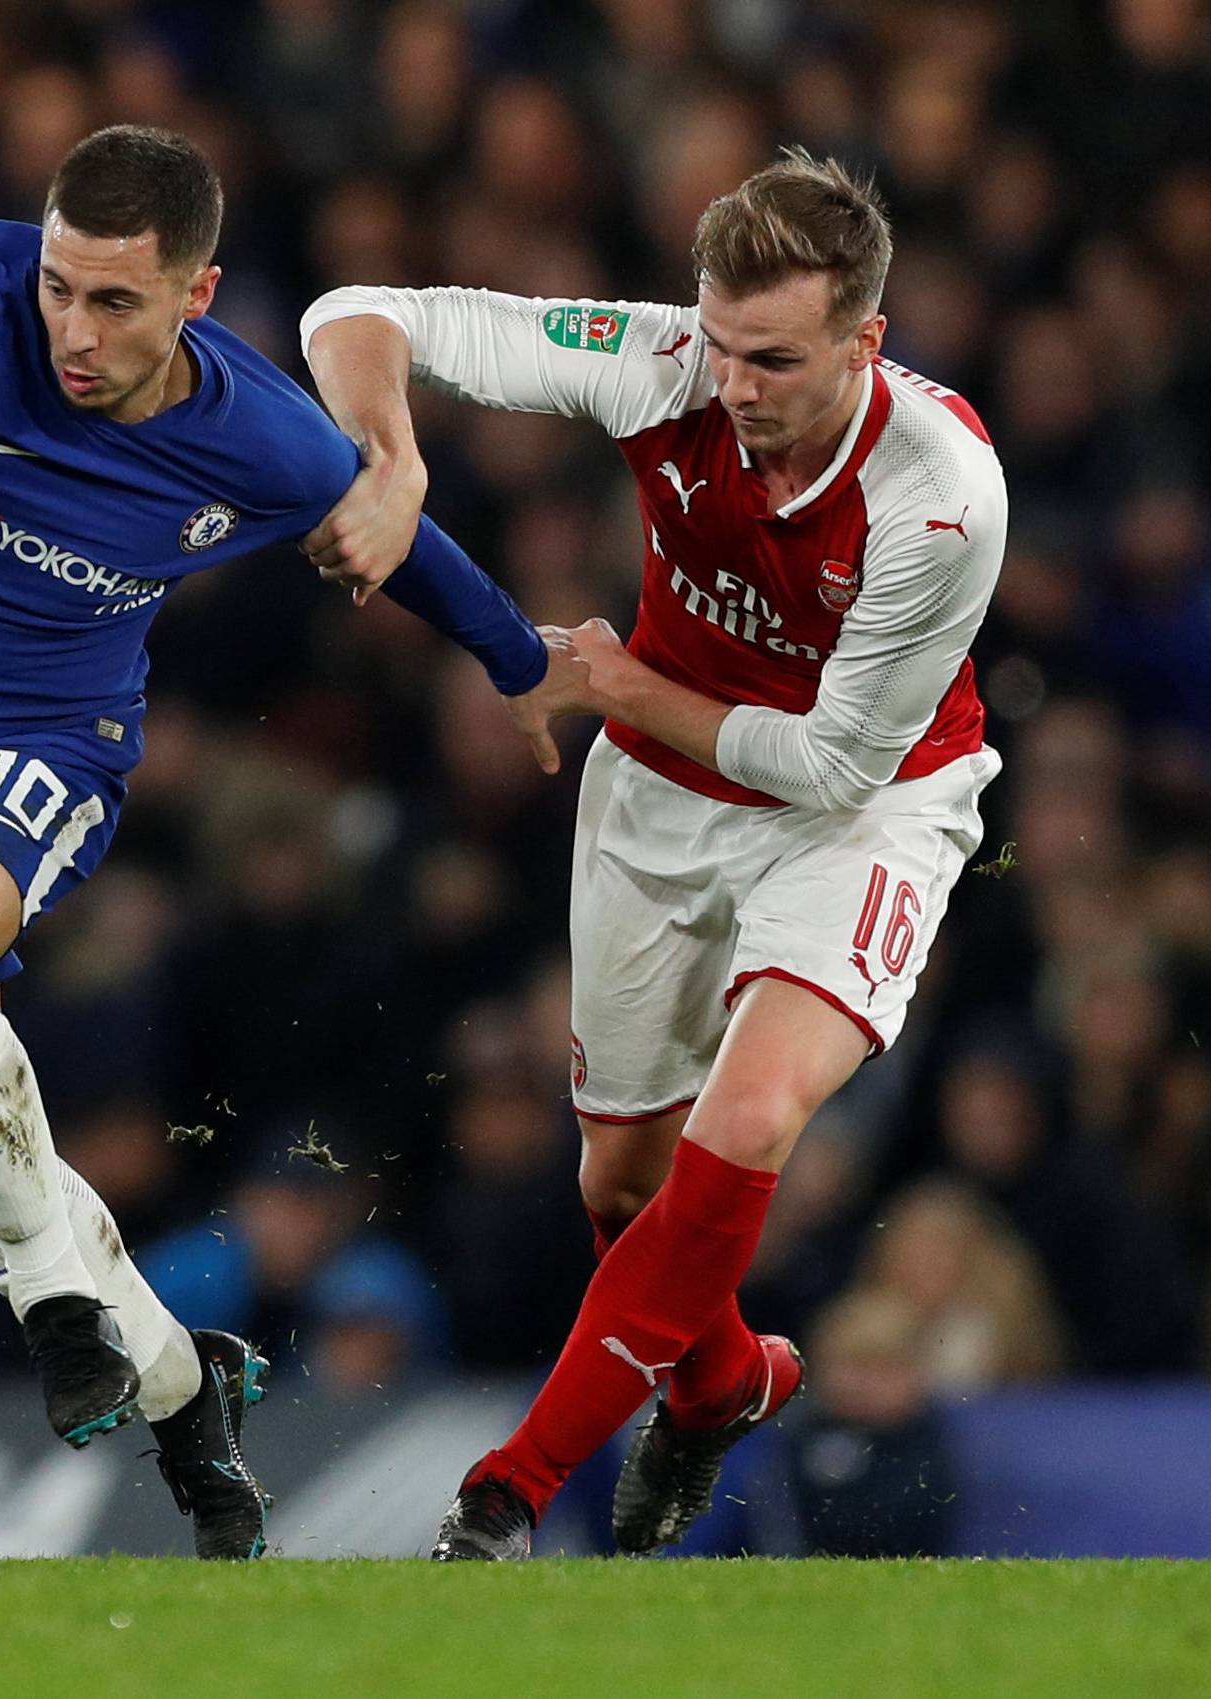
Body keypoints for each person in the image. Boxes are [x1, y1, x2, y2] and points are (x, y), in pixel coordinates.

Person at [0, 125, 554, 1560]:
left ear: (197, 297)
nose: (71, 326)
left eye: (114, 300)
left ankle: (61, 1314)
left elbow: (403, 541)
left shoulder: (260, 435)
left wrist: (519, 663)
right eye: (62, 286)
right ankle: (191, 1391)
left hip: (44, 749)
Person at [301, 147, 1006, 1559]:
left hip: (864, 813)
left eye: (778, 360)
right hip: (657, 801)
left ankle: (507, 1493)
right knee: (624, 1193)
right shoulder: (662, 359)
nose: (736, 386)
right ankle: (726, 1383)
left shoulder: (940, 499)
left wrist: (611, 685)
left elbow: (824, 762)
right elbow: (356, 312)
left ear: (867, 342)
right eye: (724, 345)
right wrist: (395, 459)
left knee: (744, 1129)